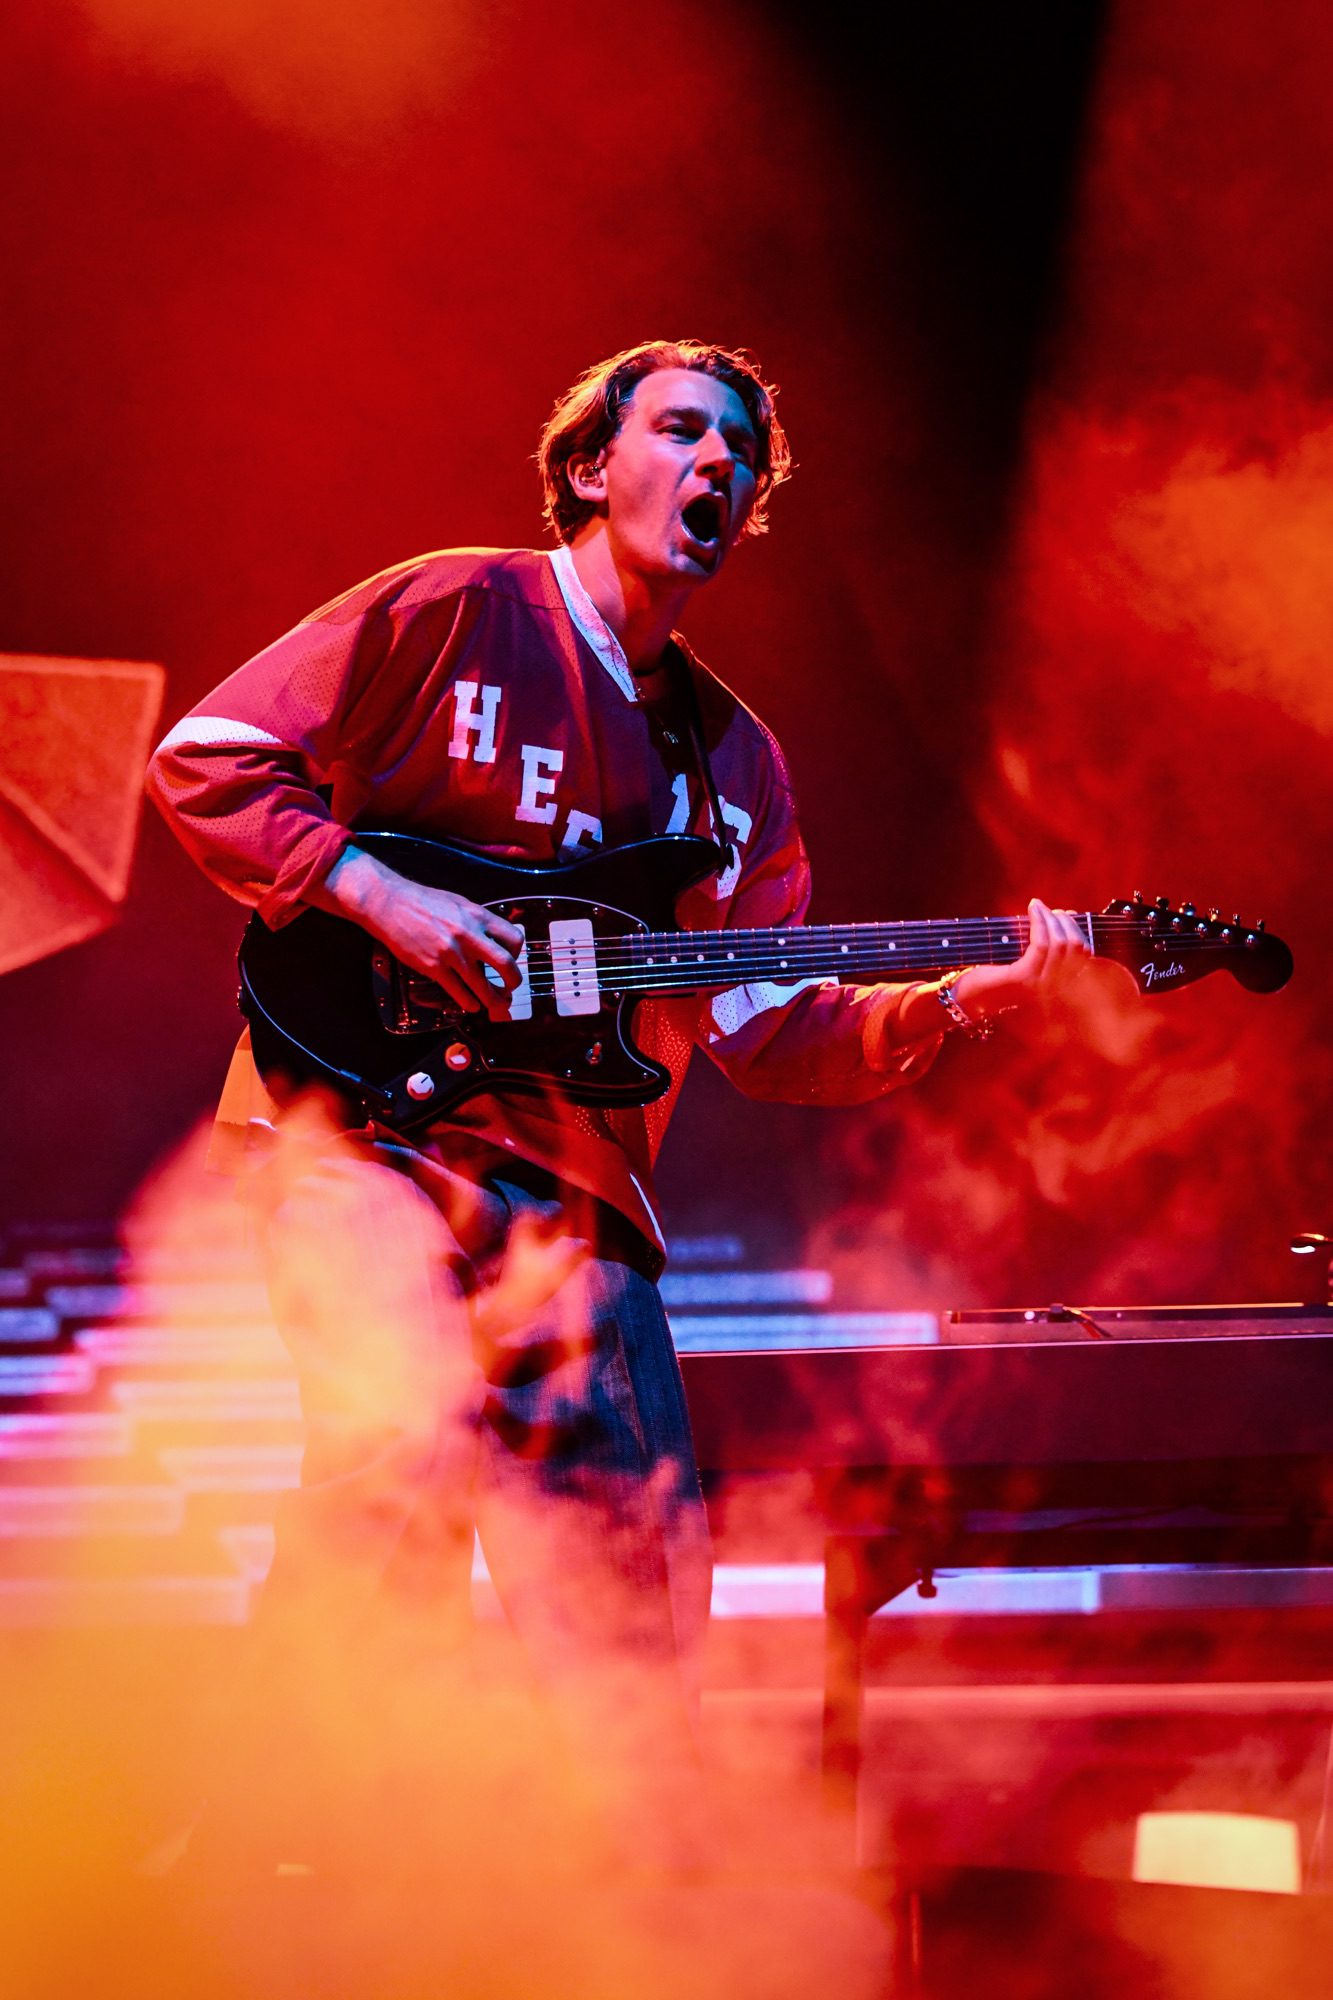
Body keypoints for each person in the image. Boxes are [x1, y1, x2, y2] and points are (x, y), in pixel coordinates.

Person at [146, 338, 1087, 1869]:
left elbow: (766, 1030)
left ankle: (634, 1896)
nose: (720, 463)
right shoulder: (454, 609)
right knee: (399, 1434)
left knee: (628, 1544)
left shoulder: (731, 763)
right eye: (683, 430)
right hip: (355, 1129)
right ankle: (261, 1848)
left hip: (569, 1176)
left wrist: (948, 1005)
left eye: (743, 452)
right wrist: (382, 896)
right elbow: (211, 761)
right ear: (591, 466)